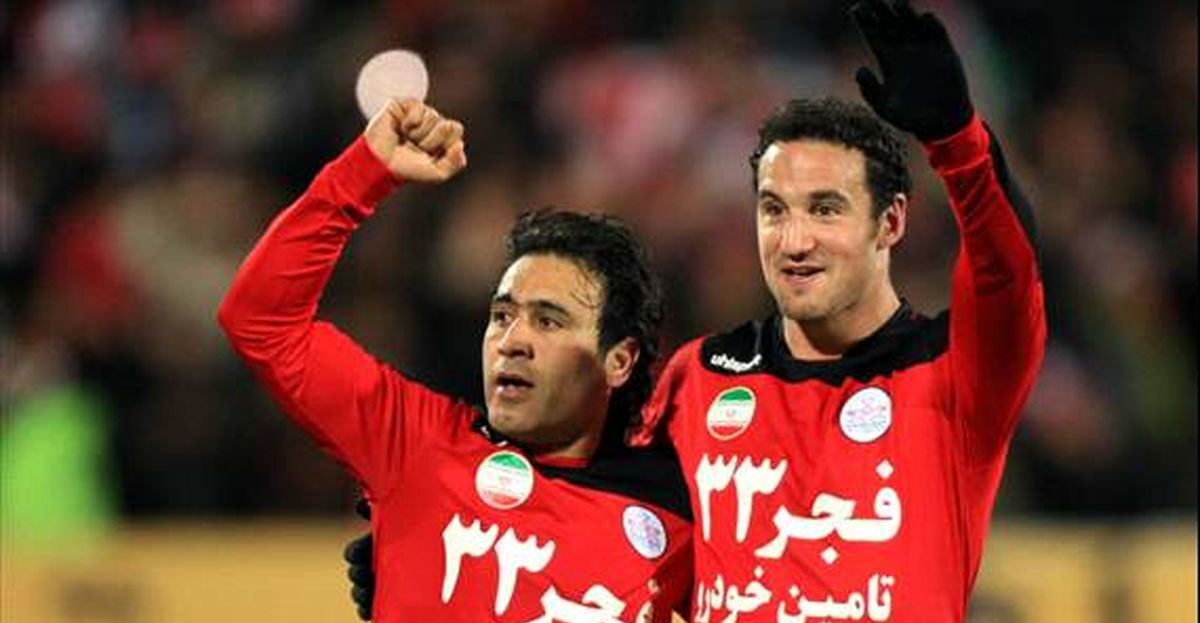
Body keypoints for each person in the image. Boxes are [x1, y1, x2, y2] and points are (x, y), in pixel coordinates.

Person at [345, 0, 1045, 620]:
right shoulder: (699, 375)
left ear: (890, 221)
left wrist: (957, 143)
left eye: (825, 209)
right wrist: (440, 549)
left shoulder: (955, 372)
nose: (794, 239)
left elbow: (1006, 276)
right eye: (774, 209)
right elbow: (601, 517)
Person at [218, 97, 693, 622]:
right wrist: (360, 177)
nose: (512, 340)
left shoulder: (679, 514)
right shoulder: (416, 444)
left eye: (549, 321)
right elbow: (261, 319)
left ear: (619, 361)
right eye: (502, 315)